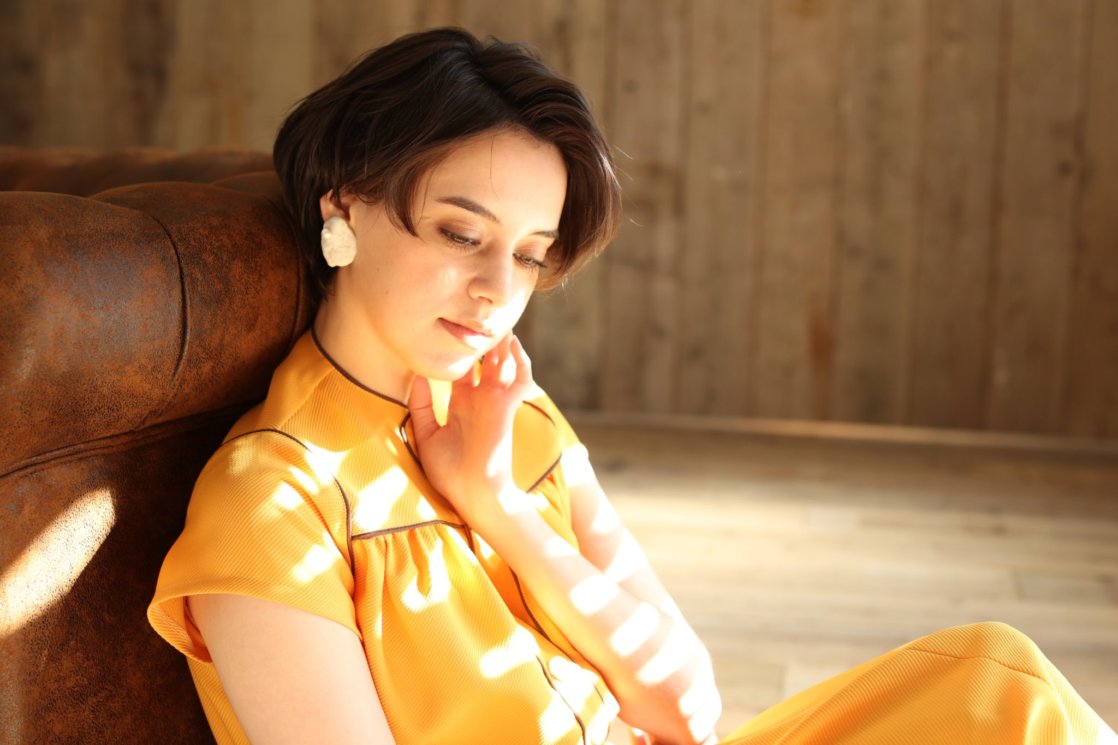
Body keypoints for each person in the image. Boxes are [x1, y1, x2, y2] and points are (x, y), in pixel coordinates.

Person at [148, 27, 1116, 745]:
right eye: (461, 233)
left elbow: (689, 707)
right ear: (344, 205)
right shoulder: (272, 503)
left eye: (529, 255)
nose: (495, 289)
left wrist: (498, 505)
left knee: (1004, 684)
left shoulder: (511, 421)